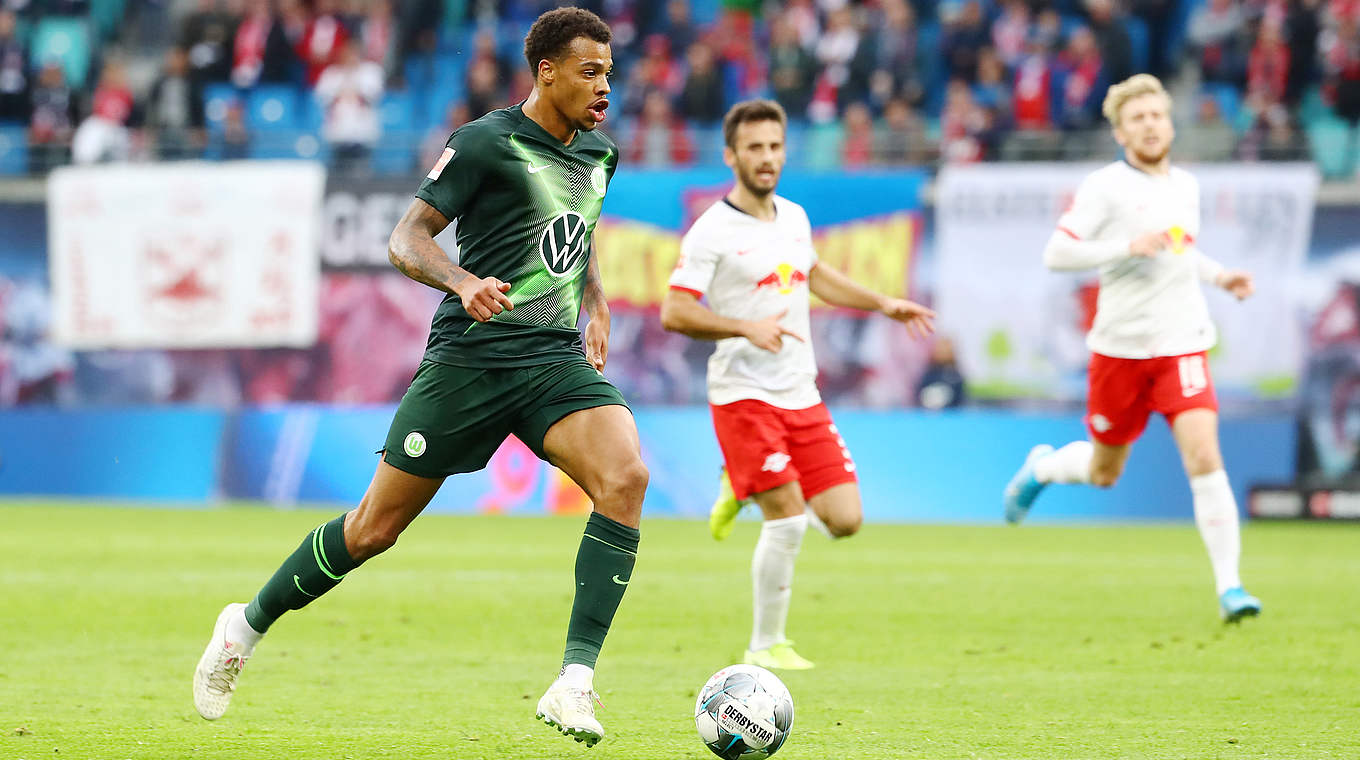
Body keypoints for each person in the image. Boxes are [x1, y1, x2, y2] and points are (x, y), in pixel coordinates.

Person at [193, 8, 642, 748]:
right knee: (373, 530)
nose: (605, 88)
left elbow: (578, 231)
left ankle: (574, 681)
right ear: (547, 72)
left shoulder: (599, 153)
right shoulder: (485, 143)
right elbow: (405, 238)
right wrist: (463, 282)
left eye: (609, 74)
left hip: (552, 359)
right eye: (590, 72)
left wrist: (594, 303)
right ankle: (244, 625)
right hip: (471, 360)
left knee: (625, 478)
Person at [660, 99, 936, 670]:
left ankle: (742, 484)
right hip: (743, 394)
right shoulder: (712, 230)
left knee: (845, 521)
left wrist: (883, 303)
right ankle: (765, 646)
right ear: (731, 156)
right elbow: (674, 311)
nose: (767, 158)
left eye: (775, 146)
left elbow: (815, 275)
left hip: (800, 392)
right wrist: (743, 326)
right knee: (786, 519)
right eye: (754, 148)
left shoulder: (794, 217)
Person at [1002, 74, 1262, 623]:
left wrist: (1220, 276)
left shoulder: (1186, 186)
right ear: (1120, 134)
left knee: (1204, 456)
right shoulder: (1105, 188)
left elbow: (1180, 251)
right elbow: (1056, 254)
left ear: (1170, 124)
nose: (1149, 126)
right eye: (1137, 119)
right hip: (1120, 349)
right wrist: (1125, 246)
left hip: (1182, 343)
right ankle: (1043, 468)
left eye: (1156, 116)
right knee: (1105, 471)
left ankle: (1231, 588)